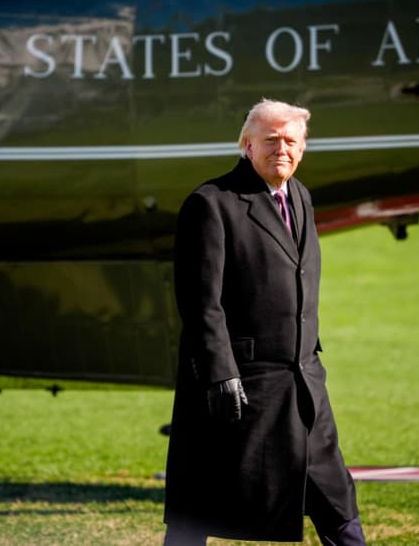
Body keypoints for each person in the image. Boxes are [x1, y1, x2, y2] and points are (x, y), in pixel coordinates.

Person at [163, 99, 365, 546]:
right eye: (271, 140)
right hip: (240, 384)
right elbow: (201, 303)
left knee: (336, 498)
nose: (282, 149)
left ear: (303, 148)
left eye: (291, 141)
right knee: (198, 504)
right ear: (247, 145)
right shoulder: (211, 203)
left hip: (303, 381)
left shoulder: (301, 196)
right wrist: (220, 373)